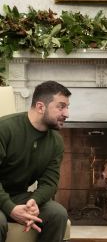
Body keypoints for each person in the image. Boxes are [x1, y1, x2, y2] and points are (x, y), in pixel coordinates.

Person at [0, 80, 71, 242]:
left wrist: (34, 202)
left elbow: (49, 182)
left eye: (68, 107)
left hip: (18, 196)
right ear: (40, 107)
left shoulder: (56, 141)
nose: (67, 113)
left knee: (57, 214)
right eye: (61, 107)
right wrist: (10, 209)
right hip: (2, 195)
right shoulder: (4, 129)